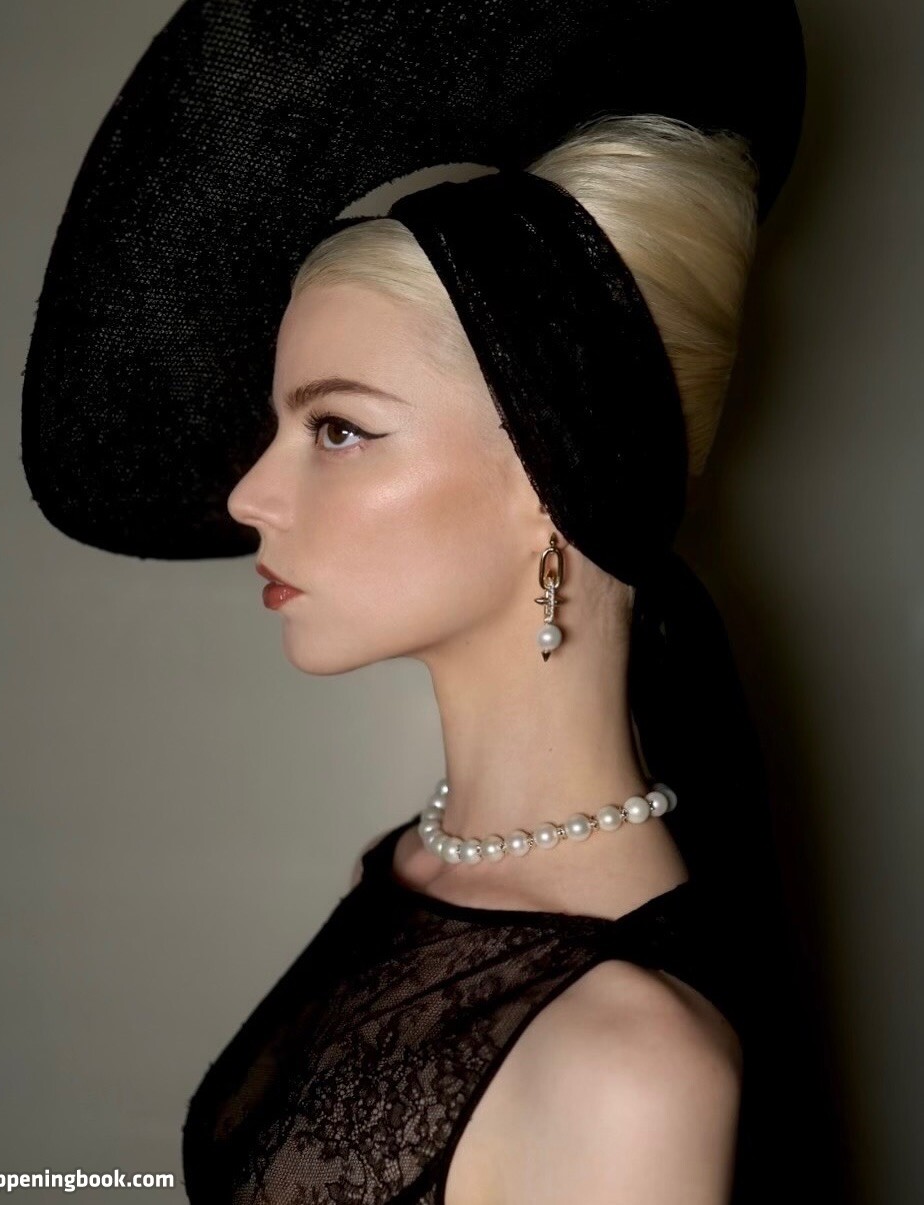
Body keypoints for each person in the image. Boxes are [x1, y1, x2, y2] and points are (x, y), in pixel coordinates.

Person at [179, 115, 845, 1204]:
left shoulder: (626, 1068)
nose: (250, 495)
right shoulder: (403, 870)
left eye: (338, 428)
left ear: (548, 473)